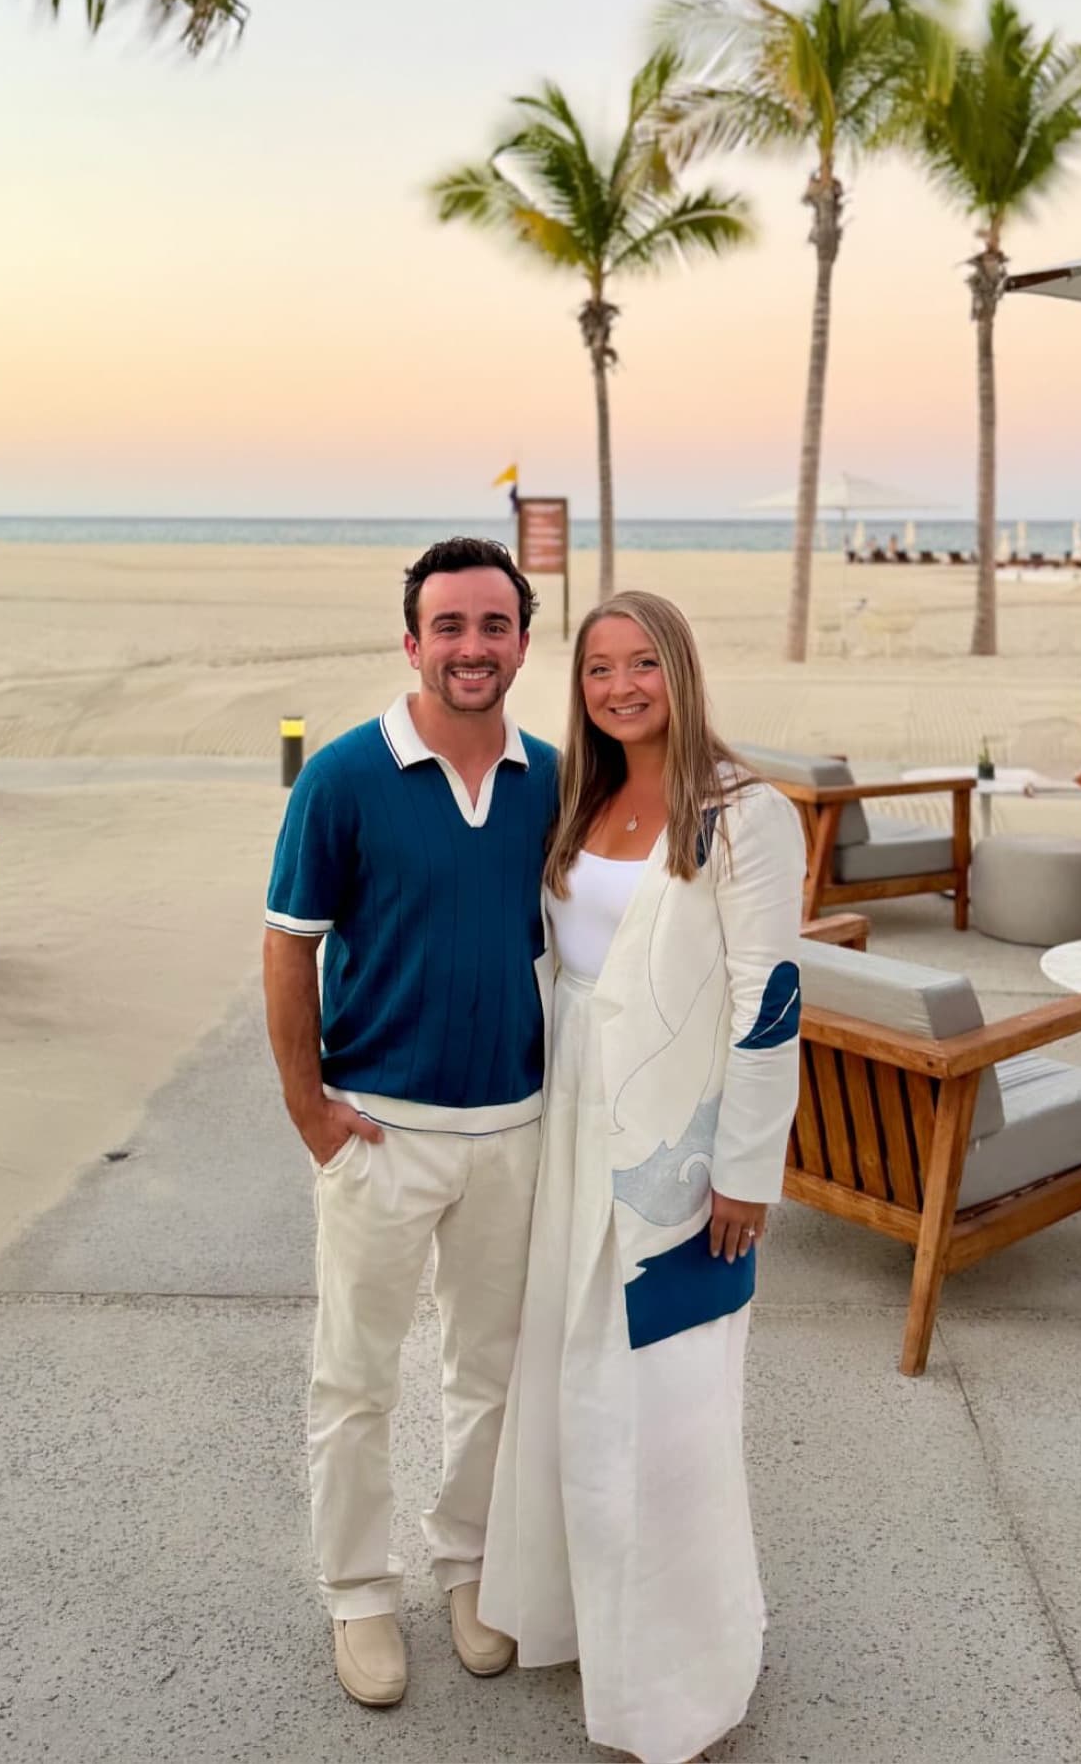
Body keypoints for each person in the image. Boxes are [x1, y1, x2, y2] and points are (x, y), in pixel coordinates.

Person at [481, 590, 804, 1764]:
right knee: (570, 1376)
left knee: (667, 1403)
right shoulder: (584, 797)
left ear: (681, 669)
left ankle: (680, 1680)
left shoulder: (745, 814)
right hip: (568, 1122)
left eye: (642, 664)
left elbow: (771, 1001)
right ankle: (577, 1618)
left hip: (678, 1147)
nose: (620, 686)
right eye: (599, 668)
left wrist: (746, 1171)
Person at [262, 537, 559, 1709]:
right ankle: (357, 1595)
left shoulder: (553, 781)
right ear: (412, 642)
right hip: (379, 1130)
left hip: (515, 1128)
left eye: (493, 625)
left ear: (523, 644)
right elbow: (290, 945)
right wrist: (310, 1108)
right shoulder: (342, 777)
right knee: (356, 1381)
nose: (471, 647)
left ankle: (469, 1569)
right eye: (450, 626)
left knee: (490, 1372)